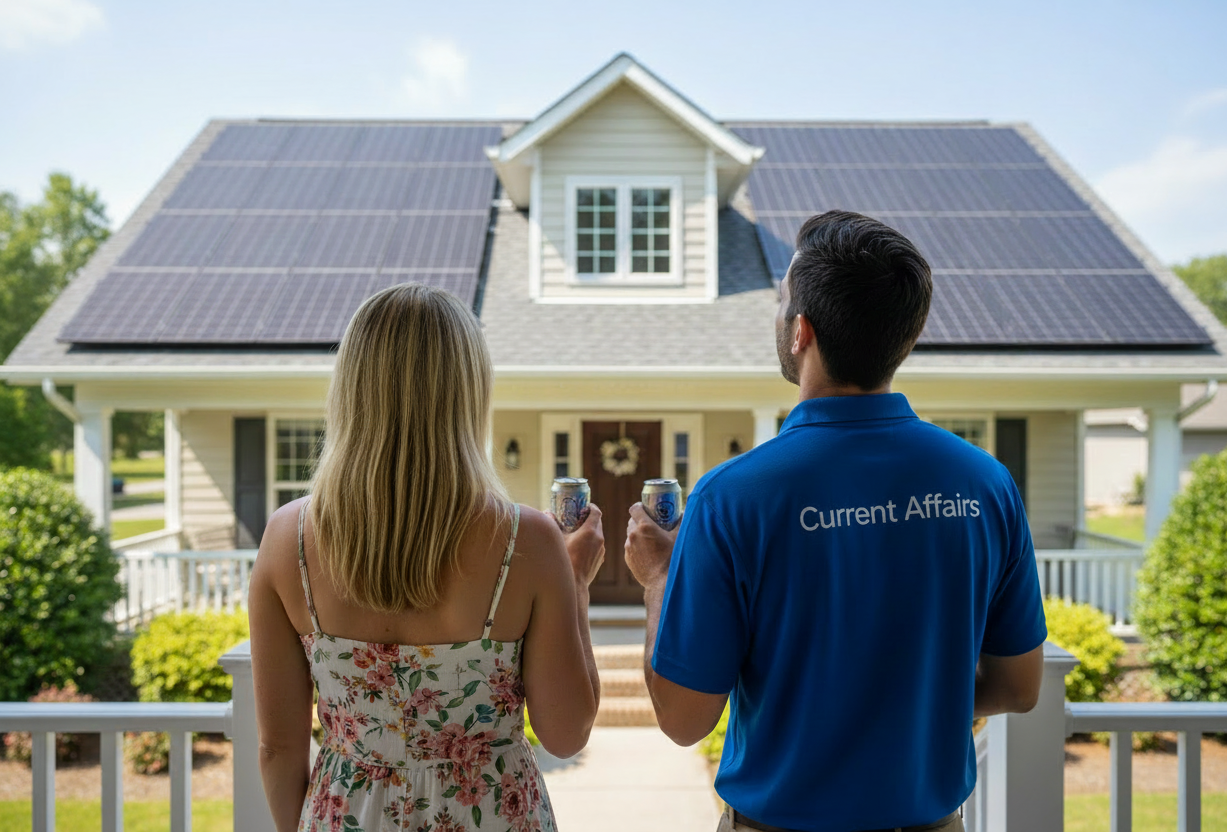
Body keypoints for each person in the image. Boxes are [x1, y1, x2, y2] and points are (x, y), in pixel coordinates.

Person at [625, 210, 1047, 832]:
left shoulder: (732, 497)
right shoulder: (984, 484)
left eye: (780, 300)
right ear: (903, 337)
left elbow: (684, 720)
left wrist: (660, 577)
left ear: (801, 331)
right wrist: (910, 701)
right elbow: (1018, 688)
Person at [249, 283, 604, 832]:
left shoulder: (286, 539)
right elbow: (566, 734)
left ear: (351, 388)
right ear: (469, 392)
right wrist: (576, 582)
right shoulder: (527, 542)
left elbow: (277, 748)